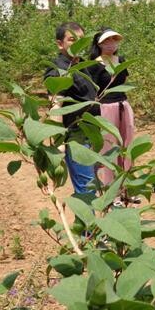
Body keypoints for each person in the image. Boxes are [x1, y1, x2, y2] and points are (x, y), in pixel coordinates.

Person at [44, 22, 99, 195]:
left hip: (90, 134)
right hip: (76, 138)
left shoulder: (80, 65)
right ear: (60, 44)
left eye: (81, 40)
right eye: (72, 40)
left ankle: (89, 221)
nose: (78, 44)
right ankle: (86, 222)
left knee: (93, 185)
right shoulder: (58, 70)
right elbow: (56, 106)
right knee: (86, 189)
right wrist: (59, 144)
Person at [88, 28, 137, 205]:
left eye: (114, 40)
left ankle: (127, 189)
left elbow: (123, 83)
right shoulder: (93, 64)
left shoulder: (121, 61)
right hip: (106, 108)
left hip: (123, 105)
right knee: (109, 148)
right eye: (107, 41)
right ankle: (111, 193)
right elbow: (92, 89)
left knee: (127, 145)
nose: (111, 44)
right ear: (99, 44)